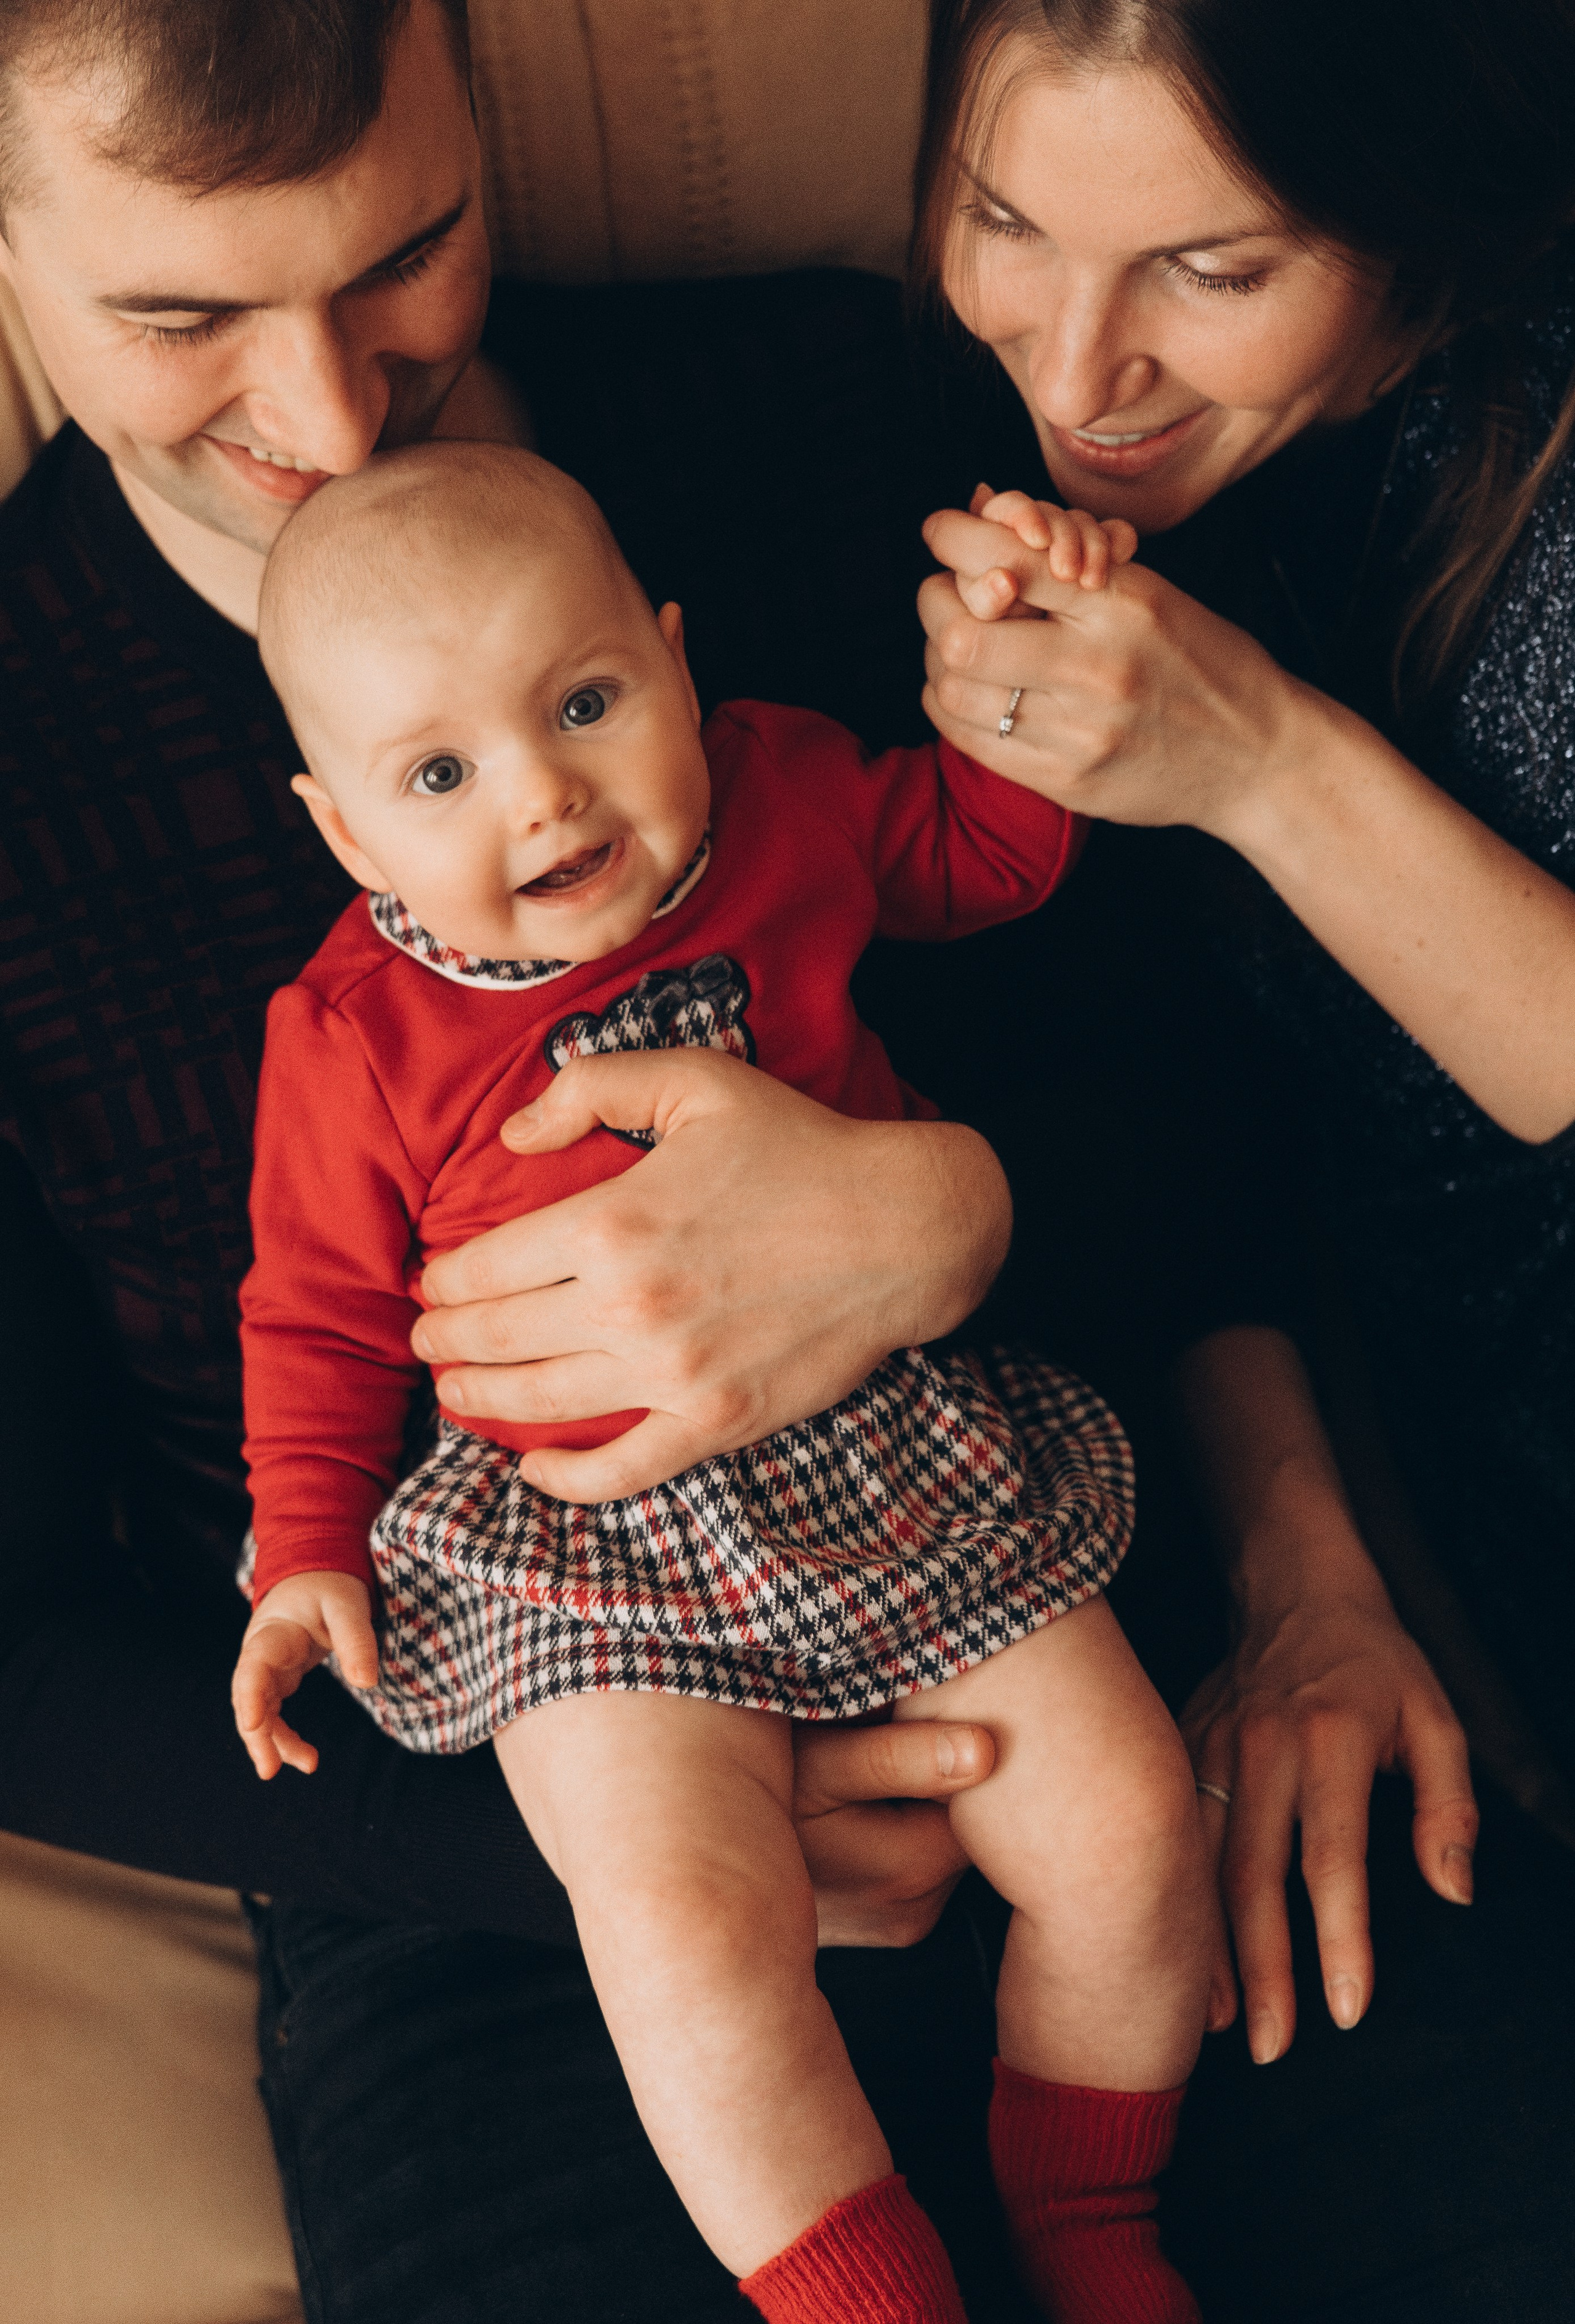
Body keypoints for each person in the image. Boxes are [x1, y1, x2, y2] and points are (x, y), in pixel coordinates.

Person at [231, 439, 1211, 2324]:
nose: (543, 794)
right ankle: (866, 2300)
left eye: (587, 700)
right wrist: (306, 1549)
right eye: (438, 774)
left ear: (677, 664)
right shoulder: (350, 1030)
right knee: (683, 1927)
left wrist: (1025, 659)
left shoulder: (787, 794)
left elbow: (994, 853)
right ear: (344, 830)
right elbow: (317, 1314)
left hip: (881, 1423)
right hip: (573, 1530)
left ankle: (1090, 2212)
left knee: (1128, 1815)